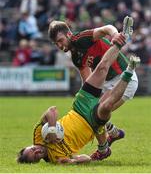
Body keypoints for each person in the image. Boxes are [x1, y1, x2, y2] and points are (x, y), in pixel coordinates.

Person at [17, 36, 140, 164]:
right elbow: (86, 159)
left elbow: (52, 111)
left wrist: (52, 130)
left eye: (32, 149)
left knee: (101, 68)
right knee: (106, 106)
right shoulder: (56, 159)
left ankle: (121, 41)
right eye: (36, 156)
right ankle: (130, 70)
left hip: (79, 106)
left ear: (30, 145)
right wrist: (73, 161)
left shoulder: (38, 135)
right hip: (90, 123)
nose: (37, 151)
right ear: (38, 161)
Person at [47, 17, 138, 157]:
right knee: (93, 112)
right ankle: (112, 134)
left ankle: (105, 147)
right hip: (107, 83)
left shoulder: (80, 39)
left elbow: (105, 28)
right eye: (56, 43)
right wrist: (86, 100)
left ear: (69, 34)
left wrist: (115, 35)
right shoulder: (76, 57)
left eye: (60, 40)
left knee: (95, 115)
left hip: (124, 78)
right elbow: (88, 81)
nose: (59, 45)